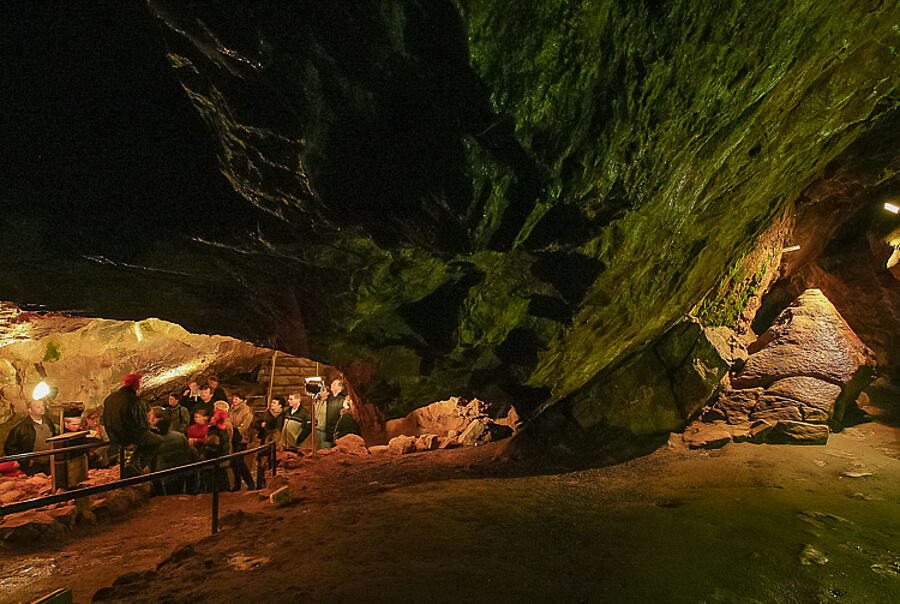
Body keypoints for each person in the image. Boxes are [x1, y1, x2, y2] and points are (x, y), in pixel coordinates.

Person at [103, 373, 161, 477]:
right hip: (129, 436)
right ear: (135, 385)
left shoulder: (110, 399)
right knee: (156, 441)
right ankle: (135, 467)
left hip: (114, 436)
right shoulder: (134, 401)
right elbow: (142, 424)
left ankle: (131, 465)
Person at [3, 398, 58, 475]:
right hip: (32, 467)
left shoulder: (48, 422)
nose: (42, 409)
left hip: (49, 464)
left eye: (42, 406)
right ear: (30, 410)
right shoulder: (20, 428)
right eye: (38, 407)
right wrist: (25, 461)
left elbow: (54, 437)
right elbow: (9, 448)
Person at [151, 414, 190, 495]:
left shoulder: (155, 441)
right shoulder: (180, 436)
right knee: (178, 493)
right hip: (179, 470)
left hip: (163, 473)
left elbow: (151, 459)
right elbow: (187, 451)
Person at [229, 392, 255, 491]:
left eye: (237, 399)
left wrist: (236, 432)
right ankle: (237, 484)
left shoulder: (246, 411)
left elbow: (245, 425)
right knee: (235, 463)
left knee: (239, 461)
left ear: (242, 400)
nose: (234, 401)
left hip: (242, 439)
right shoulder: (231, 409)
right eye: (233, 398)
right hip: (233, 438)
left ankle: (250, 482)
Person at [202, 409, 231, 492]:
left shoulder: (214, 433)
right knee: (223, 481)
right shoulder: (224, 429)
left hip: (215, 463)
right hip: (224, 461)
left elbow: (211, 449)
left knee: (212, 485)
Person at [314, 379, 348, 449]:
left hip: (336, 433)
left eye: (334, 384)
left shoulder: (343, 400)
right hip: (326, 431)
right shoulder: (330, 399)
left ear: (340, 388)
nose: (331, 386)